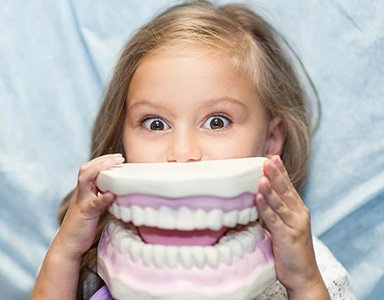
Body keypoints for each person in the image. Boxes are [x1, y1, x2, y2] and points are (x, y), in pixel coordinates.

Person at [31, 1, 355, 299]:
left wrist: (304, 282)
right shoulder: (101, 254)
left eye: (217, 122)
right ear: (122, 139)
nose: (183, 152)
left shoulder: (305, 264)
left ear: (271, 141)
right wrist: (66, 252)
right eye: (155, 124)